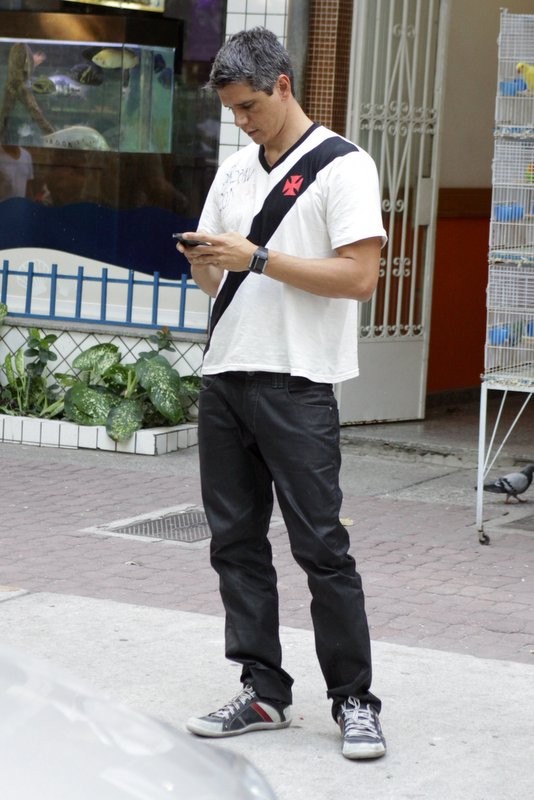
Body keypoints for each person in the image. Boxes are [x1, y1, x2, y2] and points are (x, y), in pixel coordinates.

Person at [177, 27, 387, 761]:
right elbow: (215, 278)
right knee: (234, 544)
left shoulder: (343, 165)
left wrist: (258, 258)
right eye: (232, 111)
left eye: (250, 107)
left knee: (322, 548)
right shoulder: (235, 172)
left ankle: (355, 700)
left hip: (298, 383)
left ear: (284, 85)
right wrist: (207, 260)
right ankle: (262, 690)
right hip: (225, 376)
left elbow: (359, 277)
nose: (242, 122)